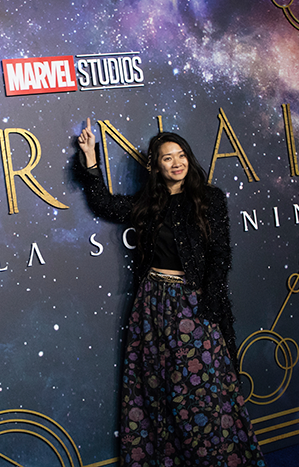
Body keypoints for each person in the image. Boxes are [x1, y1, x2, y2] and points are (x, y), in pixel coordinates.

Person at [76, 118, 266, 467]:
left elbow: (221, 254)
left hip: (194, 302)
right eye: (167, 158)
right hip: (152, 304)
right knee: (156, 390)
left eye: (181, 155)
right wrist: (90, 157)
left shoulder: (209, 198)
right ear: (156, 166)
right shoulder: (149, 204)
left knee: (199, 391)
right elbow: (104, 204)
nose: (176, 163)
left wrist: (208, 301)